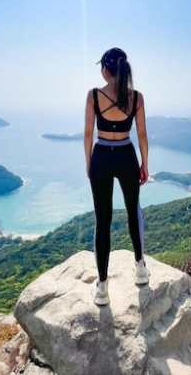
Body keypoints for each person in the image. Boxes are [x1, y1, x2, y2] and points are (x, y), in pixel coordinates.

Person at [83, 47, 149, 306]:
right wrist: (144, 163)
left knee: (103, 220)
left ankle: (101, 287)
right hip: (126, 156)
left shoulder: (93, 96)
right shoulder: (137, 97)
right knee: (133, 211)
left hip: (101, 156)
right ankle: (140, 269)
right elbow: (141, 135)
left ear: (105, 70)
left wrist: (89, 163)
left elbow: (88, 133)